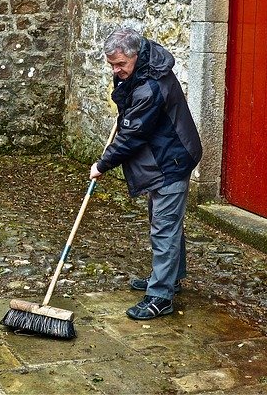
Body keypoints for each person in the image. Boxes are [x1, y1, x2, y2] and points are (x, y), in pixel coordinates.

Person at [90, 28, 202, 321]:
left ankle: (161, 296)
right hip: (162, 156)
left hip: (171, 160)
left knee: (164, 226)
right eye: (112, 64)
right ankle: (170, 277)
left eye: (120, 65)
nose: (116, 70)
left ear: (135, 56)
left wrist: (102, 165)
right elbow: (131, 113)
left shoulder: (151, 86)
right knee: (163, 221)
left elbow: (131, 136)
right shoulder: (140, 70)